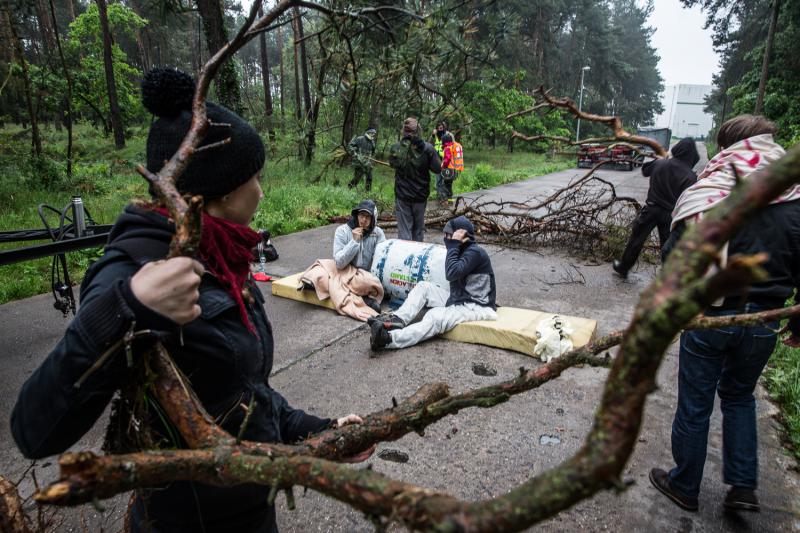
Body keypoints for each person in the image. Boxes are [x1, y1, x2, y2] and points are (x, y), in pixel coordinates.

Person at [10, 68, 368, 533]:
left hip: (250, 506)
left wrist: (316, 429)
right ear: (217, 193)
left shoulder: (222, 256)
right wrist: (128, 306)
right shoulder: (136, 269)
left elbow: (241, 390)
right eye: (256, 177)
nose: (262, 190)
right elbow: (34, 430)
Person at [649, 114, 800, 513]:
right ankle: (743, 488)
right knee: (739, 397)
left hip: (709, 318)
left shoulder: (709, 193)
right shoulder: (794, 199)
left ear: (726, 147)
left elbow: (674, 261)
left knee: (695, 403)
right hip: (764, 320)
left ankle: (684, 485)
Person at [368, 216, 497, 351]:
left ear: (462, 237)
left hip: (477, 306)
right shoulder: (461, 249)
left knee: (434, 317)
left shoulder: (475, 252)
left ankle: (388, 339)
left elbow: (451, 273)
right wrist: (455, 245)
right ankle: (398, 319)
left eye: (449, 235)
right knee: (424, 287)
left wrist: (454, 245)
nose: (446, 238)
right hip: (459, 298)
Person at [612, 137, 699, 278]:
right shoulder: (691, 176)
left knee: (636, 240)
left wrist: (663, 158)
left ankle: (623, 267)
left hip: (650, 210)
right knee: (667, 247)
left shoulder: (660, 163)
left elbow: (645, 170)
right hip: (670, 215)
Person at [389, 117, 441, 241]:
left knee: (404, 231)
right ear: (418, 130)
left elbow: (392, 163)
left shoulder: (396, 148)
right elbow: (438, 169)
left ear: (404, 131)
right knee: (418, 231)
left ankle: (405, 257)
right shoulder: (428, 149)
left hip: (403, 196)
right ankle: (416, 256)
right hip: (420, 196)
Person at [332, 199, 386, 312]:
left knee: (373, 281)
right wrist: (354, 242)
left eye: (368, 217)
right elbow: (339, 263)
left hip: (368, 276)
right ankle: (364, 298)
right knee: (326, 272)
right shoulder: (342, 231)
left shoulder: (378, 233)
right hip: (347, 274)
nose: (363, 220)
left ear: (373, 220)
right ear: (356, 215)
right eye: (361, 215)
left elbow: (382, 261)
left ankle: (359, 295)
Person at [437, 132, 463, 205]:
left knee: (445, 185)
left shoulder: (447, 148)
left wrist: (443, 165)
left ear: (444, 141)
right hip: (452, 169)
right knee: (449, 186)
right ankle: (450, 200)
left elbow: (447, 159)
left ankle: (445, 201)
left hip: (448, 169)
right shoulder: (451, 147)